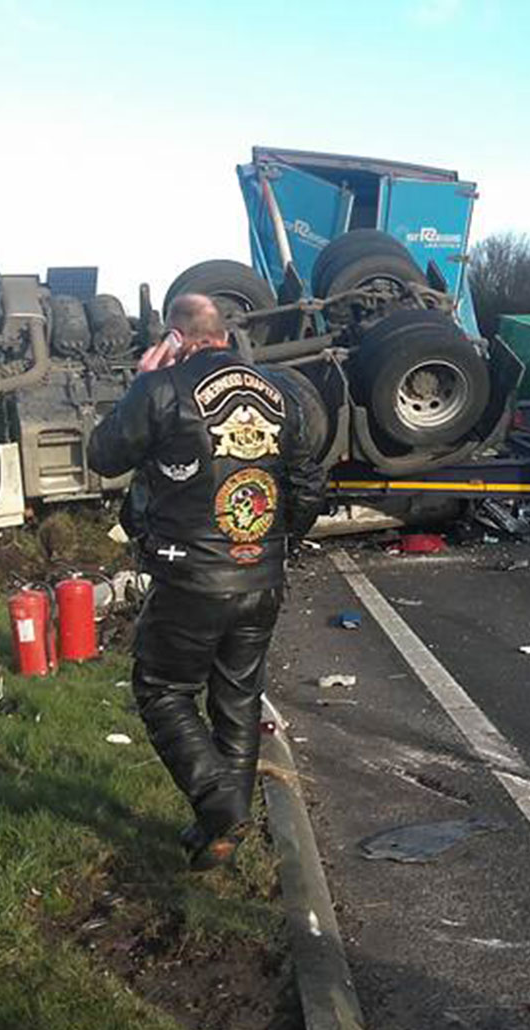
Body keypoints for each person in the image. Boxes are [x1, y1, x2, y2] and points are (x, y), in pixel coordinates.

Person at [89, 295, 325, 870]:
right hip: (260, 576)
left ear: (177, 337)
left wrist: (144, 380)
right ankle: (222, 833)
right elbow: (307, 482)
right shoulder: (281, 393)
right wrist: (274, 543)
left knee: (163, 690)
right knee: (237, 700)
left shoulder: (161, 390)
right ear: (224, 334)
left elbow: (103, 455)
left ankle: (219, 806)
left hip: (189, 575)